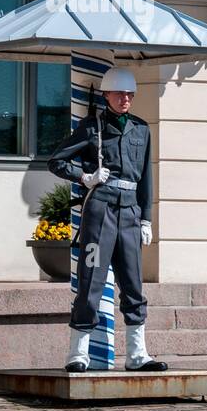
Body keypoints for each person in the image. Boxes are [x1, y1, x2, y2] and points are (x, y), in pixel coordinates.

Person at [48, 66, 166, 373]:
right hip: (100, 211)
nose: (125, 99)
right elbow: (56, 161)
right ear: (106, 95)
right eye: (119, 93)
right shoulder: (91, 128)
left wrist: (147, 219)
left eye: (129, 94)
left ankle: (137, 355)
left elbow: (146, 180)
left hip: (129, 213)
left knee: (133, 284)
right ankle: (78, 354)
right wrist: (85, 177)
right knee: (91, 281)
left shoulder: (141, 129)